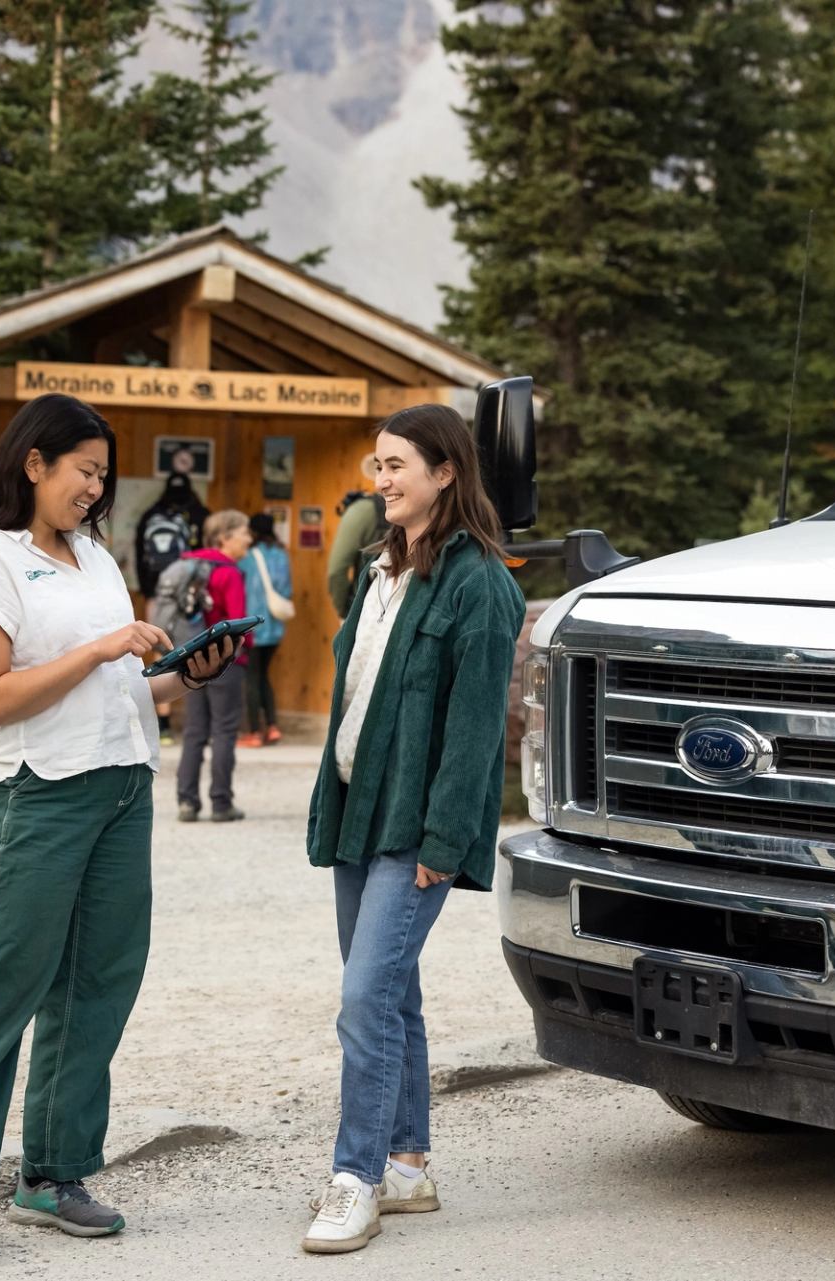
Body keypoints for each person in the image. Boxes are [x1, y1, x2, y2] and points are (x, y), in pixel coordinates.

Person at [0, 393, 239, 1267]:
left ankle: (53, 1171)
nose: (96, 487)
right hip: (38, 793)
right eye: (84, 470)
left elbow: (129, 688)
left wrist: (187, 677)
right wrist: (98, 648)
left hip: (123, 785)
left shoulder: (91, 557)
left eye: (102, 474)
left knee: (99, 983)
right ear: (33, 462)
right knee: (2, 981)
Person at [301, 405, 524, 1254]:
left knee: (363, 1000)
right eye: (377, 464)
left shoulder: (482, 584)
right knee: (391, 994)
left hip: (414, 829)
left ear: (445, 473)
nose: (380, 479)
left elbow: (473, 734)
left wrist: (443, 844)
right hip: (358, 810)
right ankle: (408, 1165)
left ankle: (353, 1178)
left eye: (396, 465)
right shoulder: (379, 569)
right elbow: (355, 690)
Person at [175, 509, 255, 822]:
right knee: (223, 730)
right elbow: (238, 623)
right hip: (225, 663)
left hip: (191, 659)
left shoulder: (190, 566)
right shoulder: (228, 572)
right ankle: (221, 803)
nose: (248, 538)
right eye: (243, 532)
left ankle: (187, 802)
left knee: (194, 731)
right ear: (224, 537)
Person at [135, 473, 210, 745]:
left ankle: (164, 725)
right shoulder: (199, 513)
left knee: (160, 652)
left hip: (158, 595)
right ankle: (197, 726)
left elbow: (140, 556)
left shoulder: (151, 514)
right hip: (190, 597)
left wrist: (149, 592)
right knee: (200, 652)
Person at [236, 512, 292, 749]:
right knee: (263, 676)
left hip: (253, 626)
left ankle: (255, 733)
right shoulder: (281, 555)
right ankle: (273, 727)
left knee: (251, 677)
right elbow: (287, 591)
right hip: (275, 627)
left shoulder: (247, 556)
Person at [326, 455, 384, 618]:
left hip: (366, 611)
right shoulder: (427, 509)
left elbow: (336, 570)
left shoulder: (363, 510)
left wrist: (345, 612)